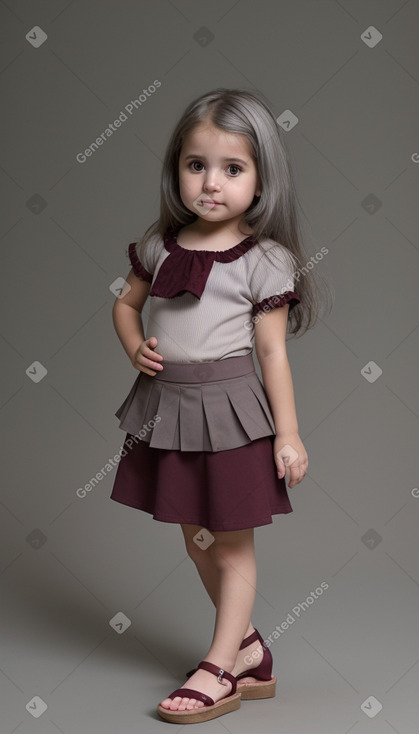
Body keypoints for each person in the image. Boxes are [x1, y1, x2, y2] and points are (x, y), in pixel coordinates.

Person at [110, 87, 331, 724]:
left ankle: (218, 667)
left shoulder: (265, 260)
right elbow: (126, 306)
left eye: (232, 169)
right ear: (176, 167)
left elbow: (272, 355)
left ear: (262, 179)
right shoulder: (160, 246)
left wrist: (288, 435)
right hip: (168, 407)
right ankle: (248, 648)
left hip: (231, 414)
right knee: (196, 538)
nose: (211, 183)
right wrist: (134, 349)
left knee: (232, 545)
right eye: (196, 164)